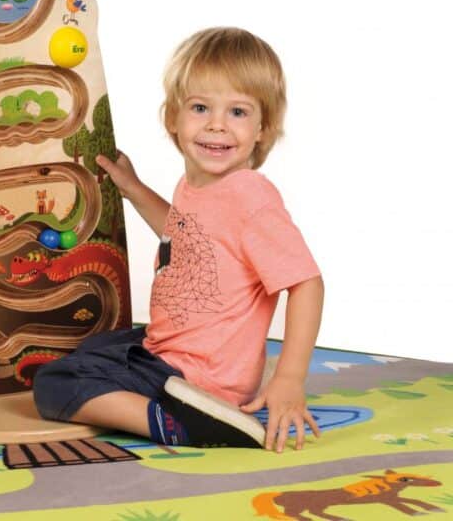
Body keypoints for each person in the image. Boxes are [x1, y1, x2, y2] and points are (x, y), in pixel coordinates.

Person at [33, 27, 324, 452]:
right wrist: (134, 189)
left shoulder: (250, 196)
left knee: (56, 384)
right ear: (173, 117)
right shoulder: (199, 186)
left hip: (200, 374)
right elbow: (187, 237)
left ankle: (184, 425)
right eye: (201, 107)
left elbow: (306, 283)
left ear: (264, 128)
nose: (217, 125)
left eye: (238, 112)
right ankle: (186, 404)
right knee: (99, 345)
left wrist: (290, 378)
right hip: (175, 352)